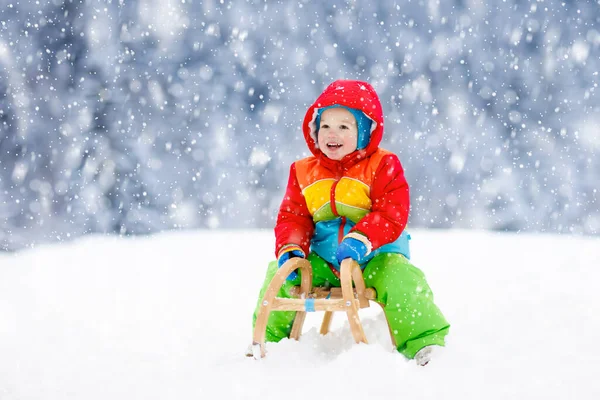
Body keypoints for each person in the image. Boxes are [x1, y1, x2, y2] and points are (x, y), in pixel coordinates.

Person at [251, 79, 450, 365]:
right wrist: (291, 249)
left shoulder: (383, 165)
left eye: (344, 126)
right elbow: (293, 216)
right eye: (325, 126)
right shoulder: (303, 172)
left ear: (364, 132)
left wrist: (362, 238)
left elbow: (391, 211)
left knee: (402, 279)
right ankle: (269, 345)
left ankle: (425, 344)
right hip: (324, 260)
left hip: (374, 258)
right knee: (278, 275)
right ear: (314, 131)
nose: (333, 133)